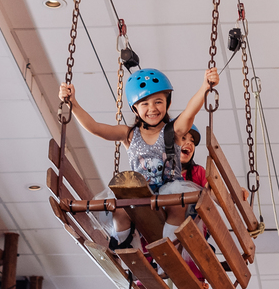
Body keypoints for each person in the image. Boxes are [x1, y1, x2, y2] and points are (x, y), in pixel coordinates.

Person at [58, 68, 218, 245]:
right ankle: (123, 244)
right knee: (120, 210)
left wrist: (205, 87)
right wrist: (73, 104)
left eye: (158, 102)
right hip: (141, 193)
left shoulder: (173, 131)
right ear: (134, 109)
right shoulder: (129, 134)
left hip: (169, 190)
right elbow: (96, 128)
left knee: (177, 204)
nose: (152, 108)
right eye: (144, 104)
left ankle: (170, 246)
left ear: (168, 103)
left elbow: (189, 112)